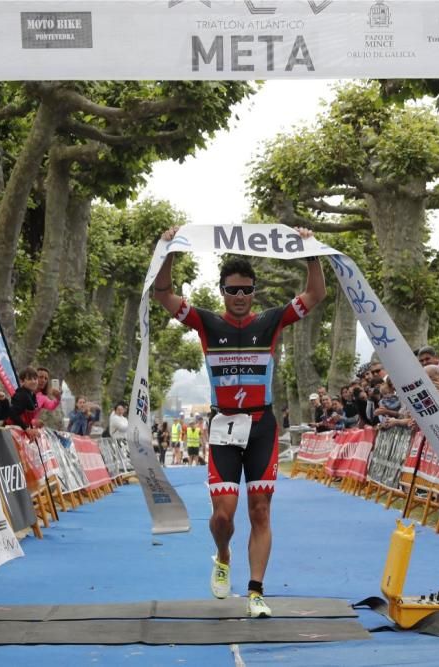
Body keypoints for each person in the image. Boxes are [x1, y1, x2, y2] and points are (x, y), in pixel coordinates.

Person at [152, 226, 325, 619]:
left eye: (247, 289)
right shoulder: (208, 323)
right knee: (223, 516)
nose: (241, 296)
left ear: (254, 291)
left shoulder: (270, 321)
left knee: (260, 510)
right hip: (224, 428)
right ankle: (224, 553)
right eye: (233, 290)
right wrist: (170, 250)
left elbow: (315, 295)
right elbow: (163, 294)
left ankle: (255, 591)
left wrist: (311, 252)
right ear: (222, 292)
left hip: (263, 426)